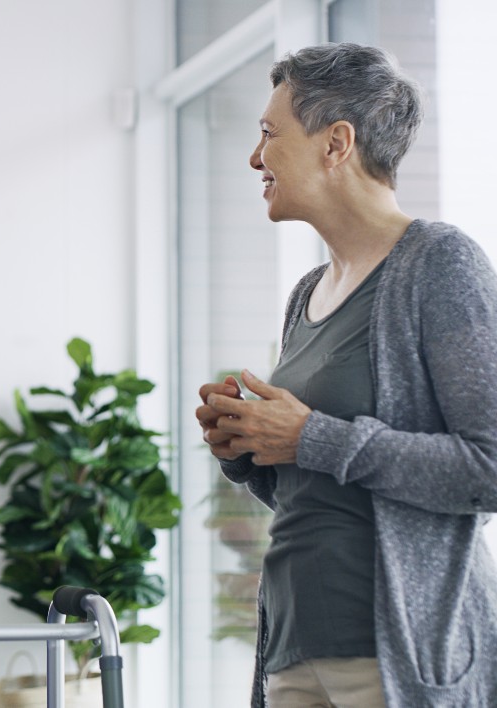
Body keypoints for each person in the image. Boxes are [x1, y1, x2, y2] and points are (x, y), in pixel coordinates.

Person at [194, 43, 497, 707]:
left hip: (395, 659)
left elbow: (489, 468)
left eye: (270, 135)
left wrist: (309, 437)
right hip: (295, 647)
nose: (255, 157)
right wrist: (251, 450)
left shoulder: (441, 265)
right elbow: (327, 495)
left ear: (336, 143)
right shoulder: (306, 292)